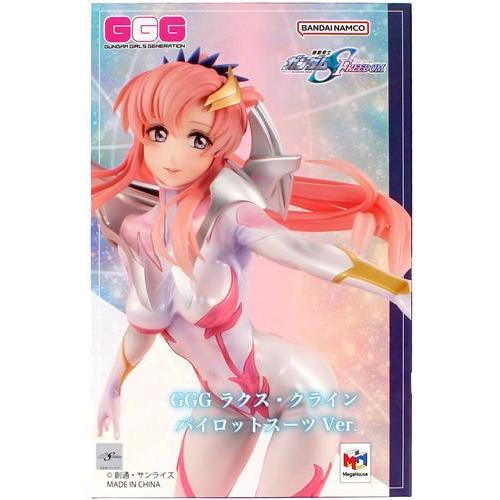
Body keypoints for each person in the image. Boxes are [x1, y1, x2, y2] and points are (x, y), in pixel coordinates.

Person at [92, 48, 411, 497]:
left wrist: (396, 288)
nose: (172, 154)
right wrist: (113, 387)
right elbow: (143, 323)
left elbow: (300, 252)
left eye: (197, 139)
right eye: (158, 132)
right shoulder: (137, 229)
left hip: (298, 390)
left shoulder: (231, 217)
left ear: (219, 148)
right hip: (224, 401)